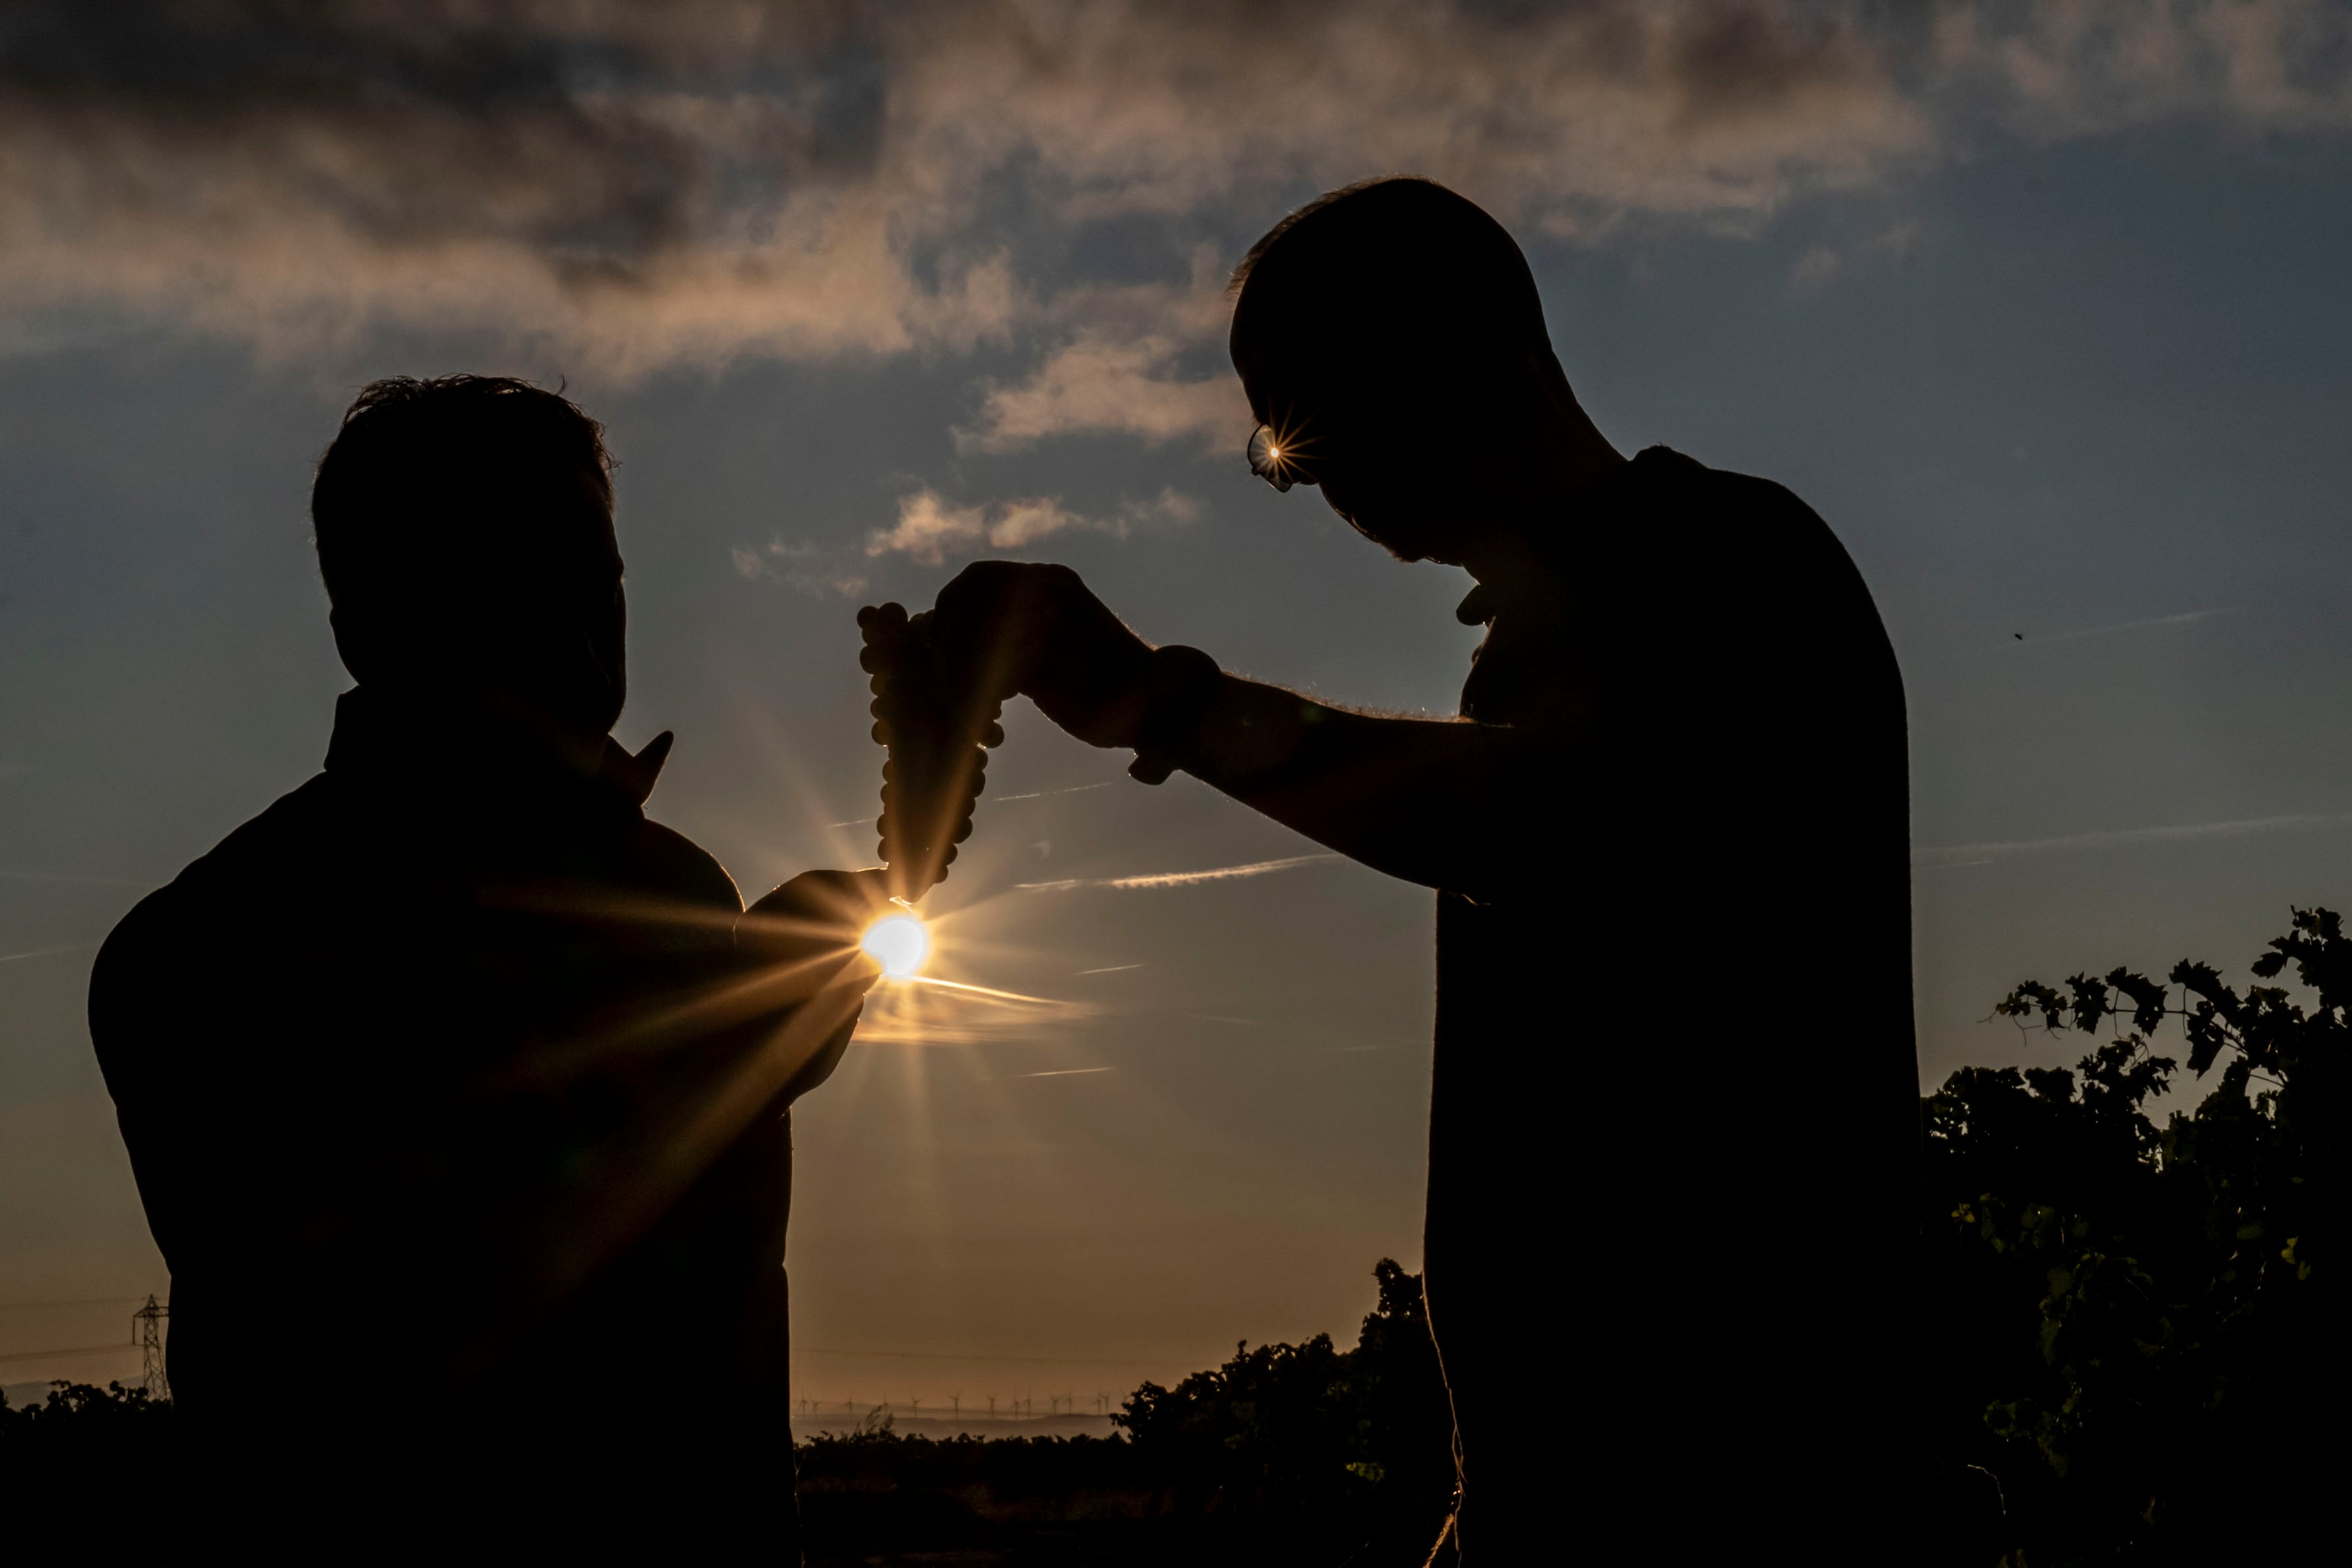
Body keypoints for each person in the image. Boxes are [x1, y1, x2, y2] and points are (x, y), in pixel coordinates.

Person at [918, 178, 1918, 1561]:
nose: (1304, 473)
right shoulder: (1534, 653)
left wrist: (1155, 700)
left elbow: (1556, 823)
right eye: (1278, 442)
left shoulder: (1733, 561)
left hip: (1752, 1505)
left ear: (1487, 357)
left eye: (1308, 423)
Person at [89, 376, 886, 1553]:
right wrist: (738, 1039)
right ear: (366, 621)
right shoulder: (203, 955)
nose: (576, 629)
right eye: (508, 580)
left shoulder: (676, 891)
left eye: (597, 582)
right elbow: (387, 1319)